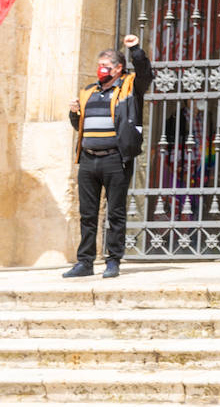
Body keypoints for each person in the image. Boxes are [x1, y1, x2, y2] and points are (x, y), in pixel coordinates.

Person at [64, 35, 152, 279]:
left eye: (106, 65)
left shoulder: (129, 87)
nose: (101, 69)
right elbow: (81, 125)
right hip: (89, 159)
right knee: (88, 214)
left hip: (116, 158)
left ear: (118, 68)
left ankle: (113, 260)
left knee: (115, 213)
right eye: (99, 64)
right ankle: (85, 262)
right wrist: (73, 114)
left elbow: (145, 72)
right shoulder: (88, 92)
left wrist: (135, 49)